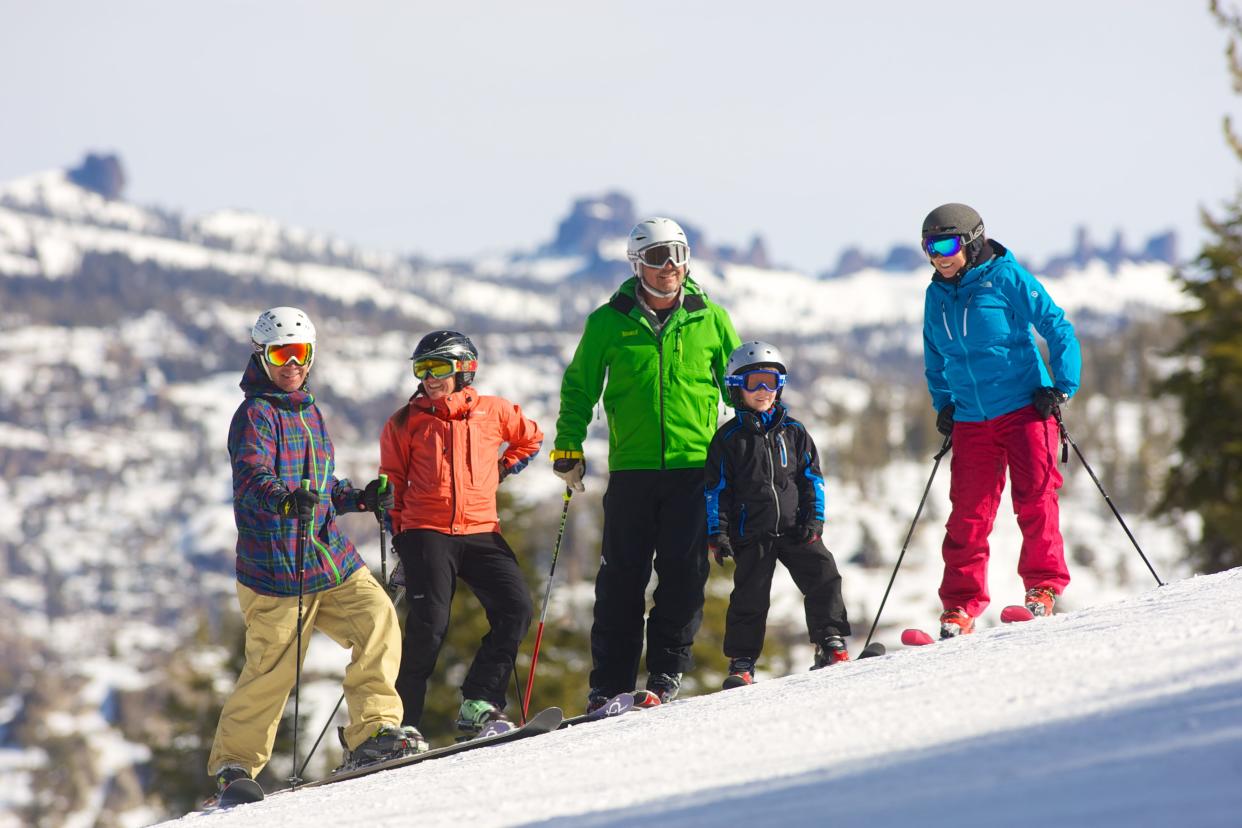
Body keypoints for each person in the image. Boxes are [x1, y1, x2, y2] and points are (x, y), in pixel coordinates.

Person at [207, 307, 424, 801]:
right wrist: (283, 499)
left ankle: (373, 733)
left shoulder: (308, 409)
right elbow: (252, 479)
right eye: (282, 354)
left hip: (329, 558)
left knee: (378, 620)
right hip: (277, 568)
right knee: (273, 671)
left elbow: (322, 487)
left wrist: (358, 498)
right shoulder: (254, 416)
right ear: (261, 356)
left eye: (300, 353)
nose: (292, 364)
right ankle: (234, 766)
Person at [552, 216, 741, 711]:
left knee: (683, 575)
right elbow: (579, 388)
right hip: (633, 469)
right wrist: (567, 448)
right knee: (621, 578)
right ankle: (608, 685)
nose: (670, 267)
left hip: (693, 469)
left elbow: (738, 384)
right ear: (637, 263)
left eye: (678, 255)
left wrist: (752, 443)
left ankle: (664, 673)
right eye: (658, 257)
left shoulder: (710, 318)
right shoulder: (607, 322)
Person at [920, 203, 1082, 638]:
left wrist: (1061, 386)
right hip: (972, 419)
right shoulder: (936, 294)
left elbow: (1057, 326)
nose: (939, 255)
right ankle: (959, 607)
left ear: (972, 241)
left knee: (1035, 499)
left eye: (947, 244)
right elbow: (935, 358)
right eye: (930, 247)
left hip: (1026, 410)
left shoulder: (1006, 277)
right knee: (967, 516)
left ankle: (1043, 589)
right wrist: (945, 404)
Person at [379, 330, 543, 734]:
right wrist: (399, 534)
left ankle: (480, 702)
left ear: (465, 368)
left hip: (481, 529)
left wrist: (502, 470)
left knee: (516, 608)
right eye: (422, 368)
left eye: (438, 366)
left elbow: (531, 438)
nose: (429, 377)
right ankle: (401, 725)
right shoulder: (404, 422)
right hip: (425, 530)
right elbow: (392, 482)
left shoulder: (494, 412)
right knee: (429, 625)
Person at [704, 341, 852, 688]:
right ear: (736, 387)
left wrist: (814, 520)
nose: (763, 391)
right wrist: (718, 533)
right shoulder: (728, 439)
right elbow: (717, 491)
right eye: (754, 382)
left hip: (795, 528)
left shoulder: (794, 432)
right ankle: (742, 662)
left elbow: (811, 478)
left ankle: (830, 640)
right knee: (749, 597)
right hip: (751, 532)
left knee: (823, 574)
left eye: (771, 382)